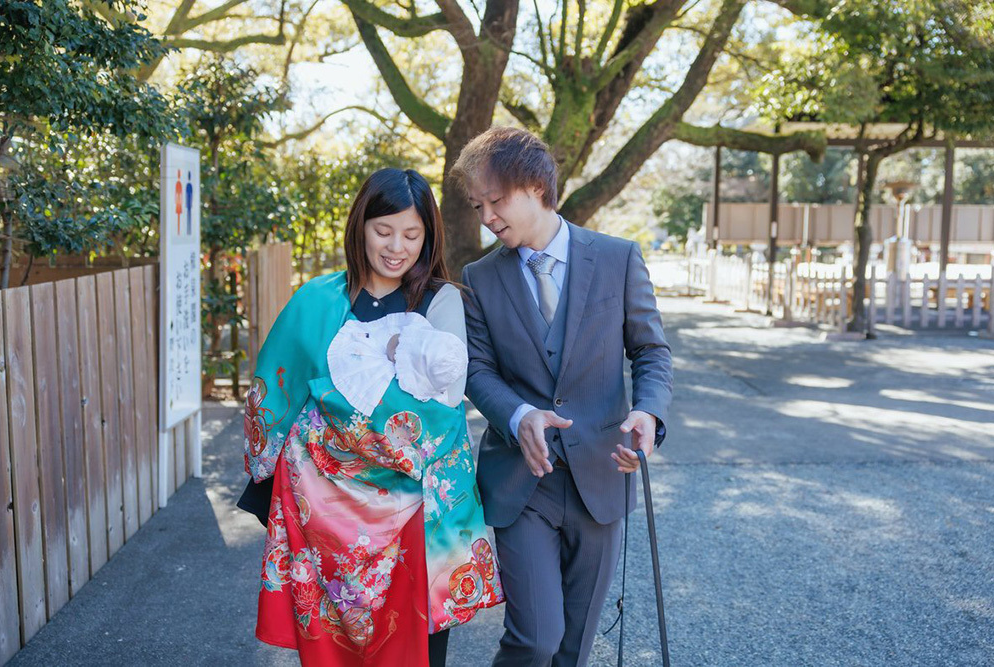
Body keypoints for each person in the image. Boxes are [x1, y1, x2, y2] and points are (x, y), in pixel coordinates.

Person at [239, 168, 503, 666]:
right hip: (326, 519)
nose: (396, 247)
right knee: (331, 651)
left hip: (413, 519)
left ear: (428, 237)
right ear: (360, 226)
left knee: (417, 650)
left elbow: (443, 409)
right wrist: (275, 456)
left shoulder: (441, 301)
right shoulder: (316, 301)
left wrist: (327, 417)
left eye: (411, 234)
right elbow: (275, 389)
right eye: (383, 230)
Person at [452, 127, 673, 667]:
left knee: (573, 648)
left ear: (534, 186)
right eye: (477, 205)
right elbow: (475, 370)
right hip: (522, 484)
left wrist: (647, 412)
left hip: (602, 473)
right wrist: (519, 414)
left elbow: (651, 351)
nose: (486, 216)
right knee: (535, 640)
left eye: (495, 200)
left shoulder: (618, 259)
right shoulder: (478, 278)